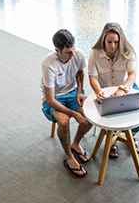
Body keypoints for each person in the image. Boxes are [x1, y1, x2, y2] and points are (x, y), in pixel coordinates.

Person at [88, 22, 139, 158]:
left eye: (116, 42)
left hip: (126, 87)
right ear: (103, 40)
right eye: (109, 42)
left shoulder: (128, 52)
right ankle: (113, 136)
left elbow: (132, 75)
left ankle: (130, 135)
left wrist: (123, 89)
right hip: (106, 90)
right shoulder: (94, 53)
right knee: (108, 113)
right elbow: (92, 77)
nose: (113, 46)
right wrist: (98, 91)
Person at [41, 29, 92, 177]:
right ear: (57, 50)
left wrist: (80, 91)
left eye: (74, 50)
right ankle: (69, 156)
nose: (73, 55)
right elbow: (50, 100)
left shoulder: (77, 54)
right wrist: (74, 114)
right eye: (69, 52)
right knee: (63, 121)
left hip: (72, 92)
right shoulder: (48, 64)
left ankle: (75, 143)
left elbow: (80, 72)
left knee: (90, 115)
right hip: (54, 98)